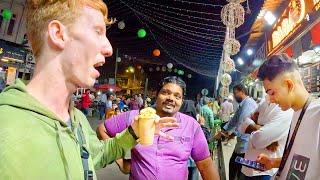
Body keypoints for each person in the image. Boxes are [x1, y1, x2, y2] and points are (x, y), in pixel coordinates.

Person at [0, 1, 177, 179]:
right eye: (97, 31)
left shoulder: (77, 119)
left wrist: (133, 131)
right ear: (58, 34)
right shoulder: (5, 129)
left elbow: (96, 155)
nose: (109, 49)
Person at [97, 76, 220, 180]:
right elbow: (102, 129)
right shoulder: (136, 118)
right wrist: (121, 162)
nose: (171, 98)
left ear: (182, 101)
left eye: (177, 96)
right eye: (165, 92)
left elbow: (205, 165)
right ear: (157, 95)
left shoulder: (191, 125)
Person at [256, 54, 320, 180]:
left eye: (272, 93)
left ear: (289, 85)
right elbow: (304, 159)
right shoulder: (296, 112)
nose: (270, 100)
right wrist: (273, 162)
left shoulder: (317, 113)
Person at [238, 97, 293, 180]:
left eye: (271, 91)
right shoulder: (264, 102)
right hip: (248, 166)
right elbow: (243, 123)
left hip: (266, 171)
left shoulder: (286, 109)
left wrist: (255, 127)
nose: (269, 94)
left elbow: (259, 140)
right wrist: (264, 131)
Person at [222, 84, 258, 180]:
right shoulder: (242, 105)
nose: (234, 96)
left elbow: (243, 123)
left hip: (246, 146)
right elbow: (234, 120)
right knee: (233, 168)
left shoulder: (248, 104)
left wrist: (232, 134)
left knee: (238, 172)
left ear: (242, 91)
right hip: (241, 145)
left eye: (235, 93)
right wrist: (224, 130)